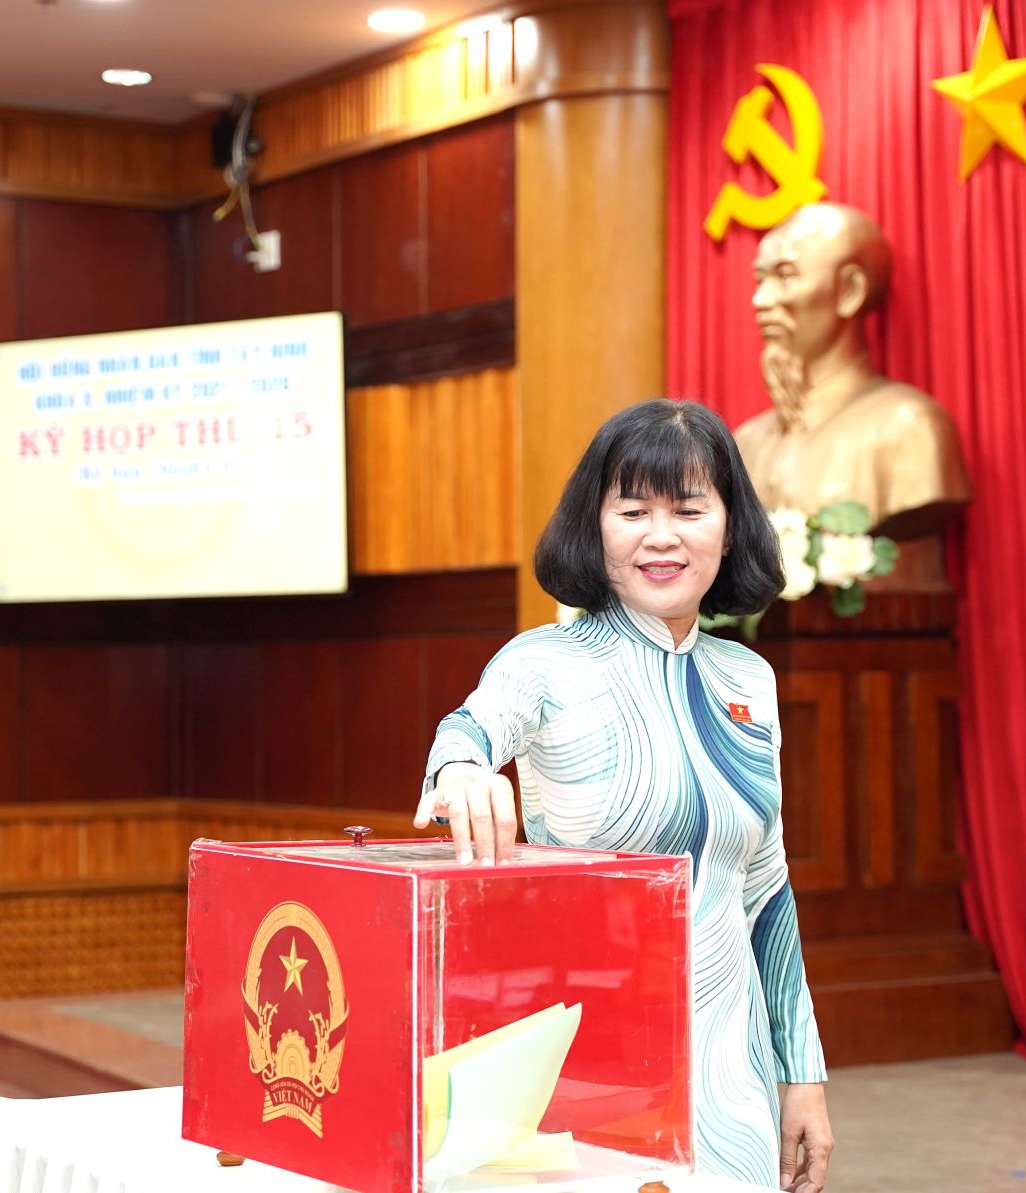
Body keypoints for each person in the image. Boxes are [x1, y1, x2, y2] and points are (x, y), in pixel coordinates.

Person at [412, 398, 833, 1193]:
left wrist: (801, 1072)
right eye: (633, 511)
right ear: (594, 527)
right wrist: (462, 771)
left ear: (729, 529)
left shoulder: (749, 679)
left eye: (689, 510)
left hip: (730, 1075)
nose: (661, 536)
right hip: (583, 1068)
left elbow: (766, 893)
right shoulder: (542, 662)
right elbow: (469, 729)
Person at [734, 201, 971, 591]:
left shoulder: (909, 428)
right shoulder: (746, 443)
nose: (761, 300)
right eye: (760, 279)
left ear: (850, 291)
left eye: (786, 276)